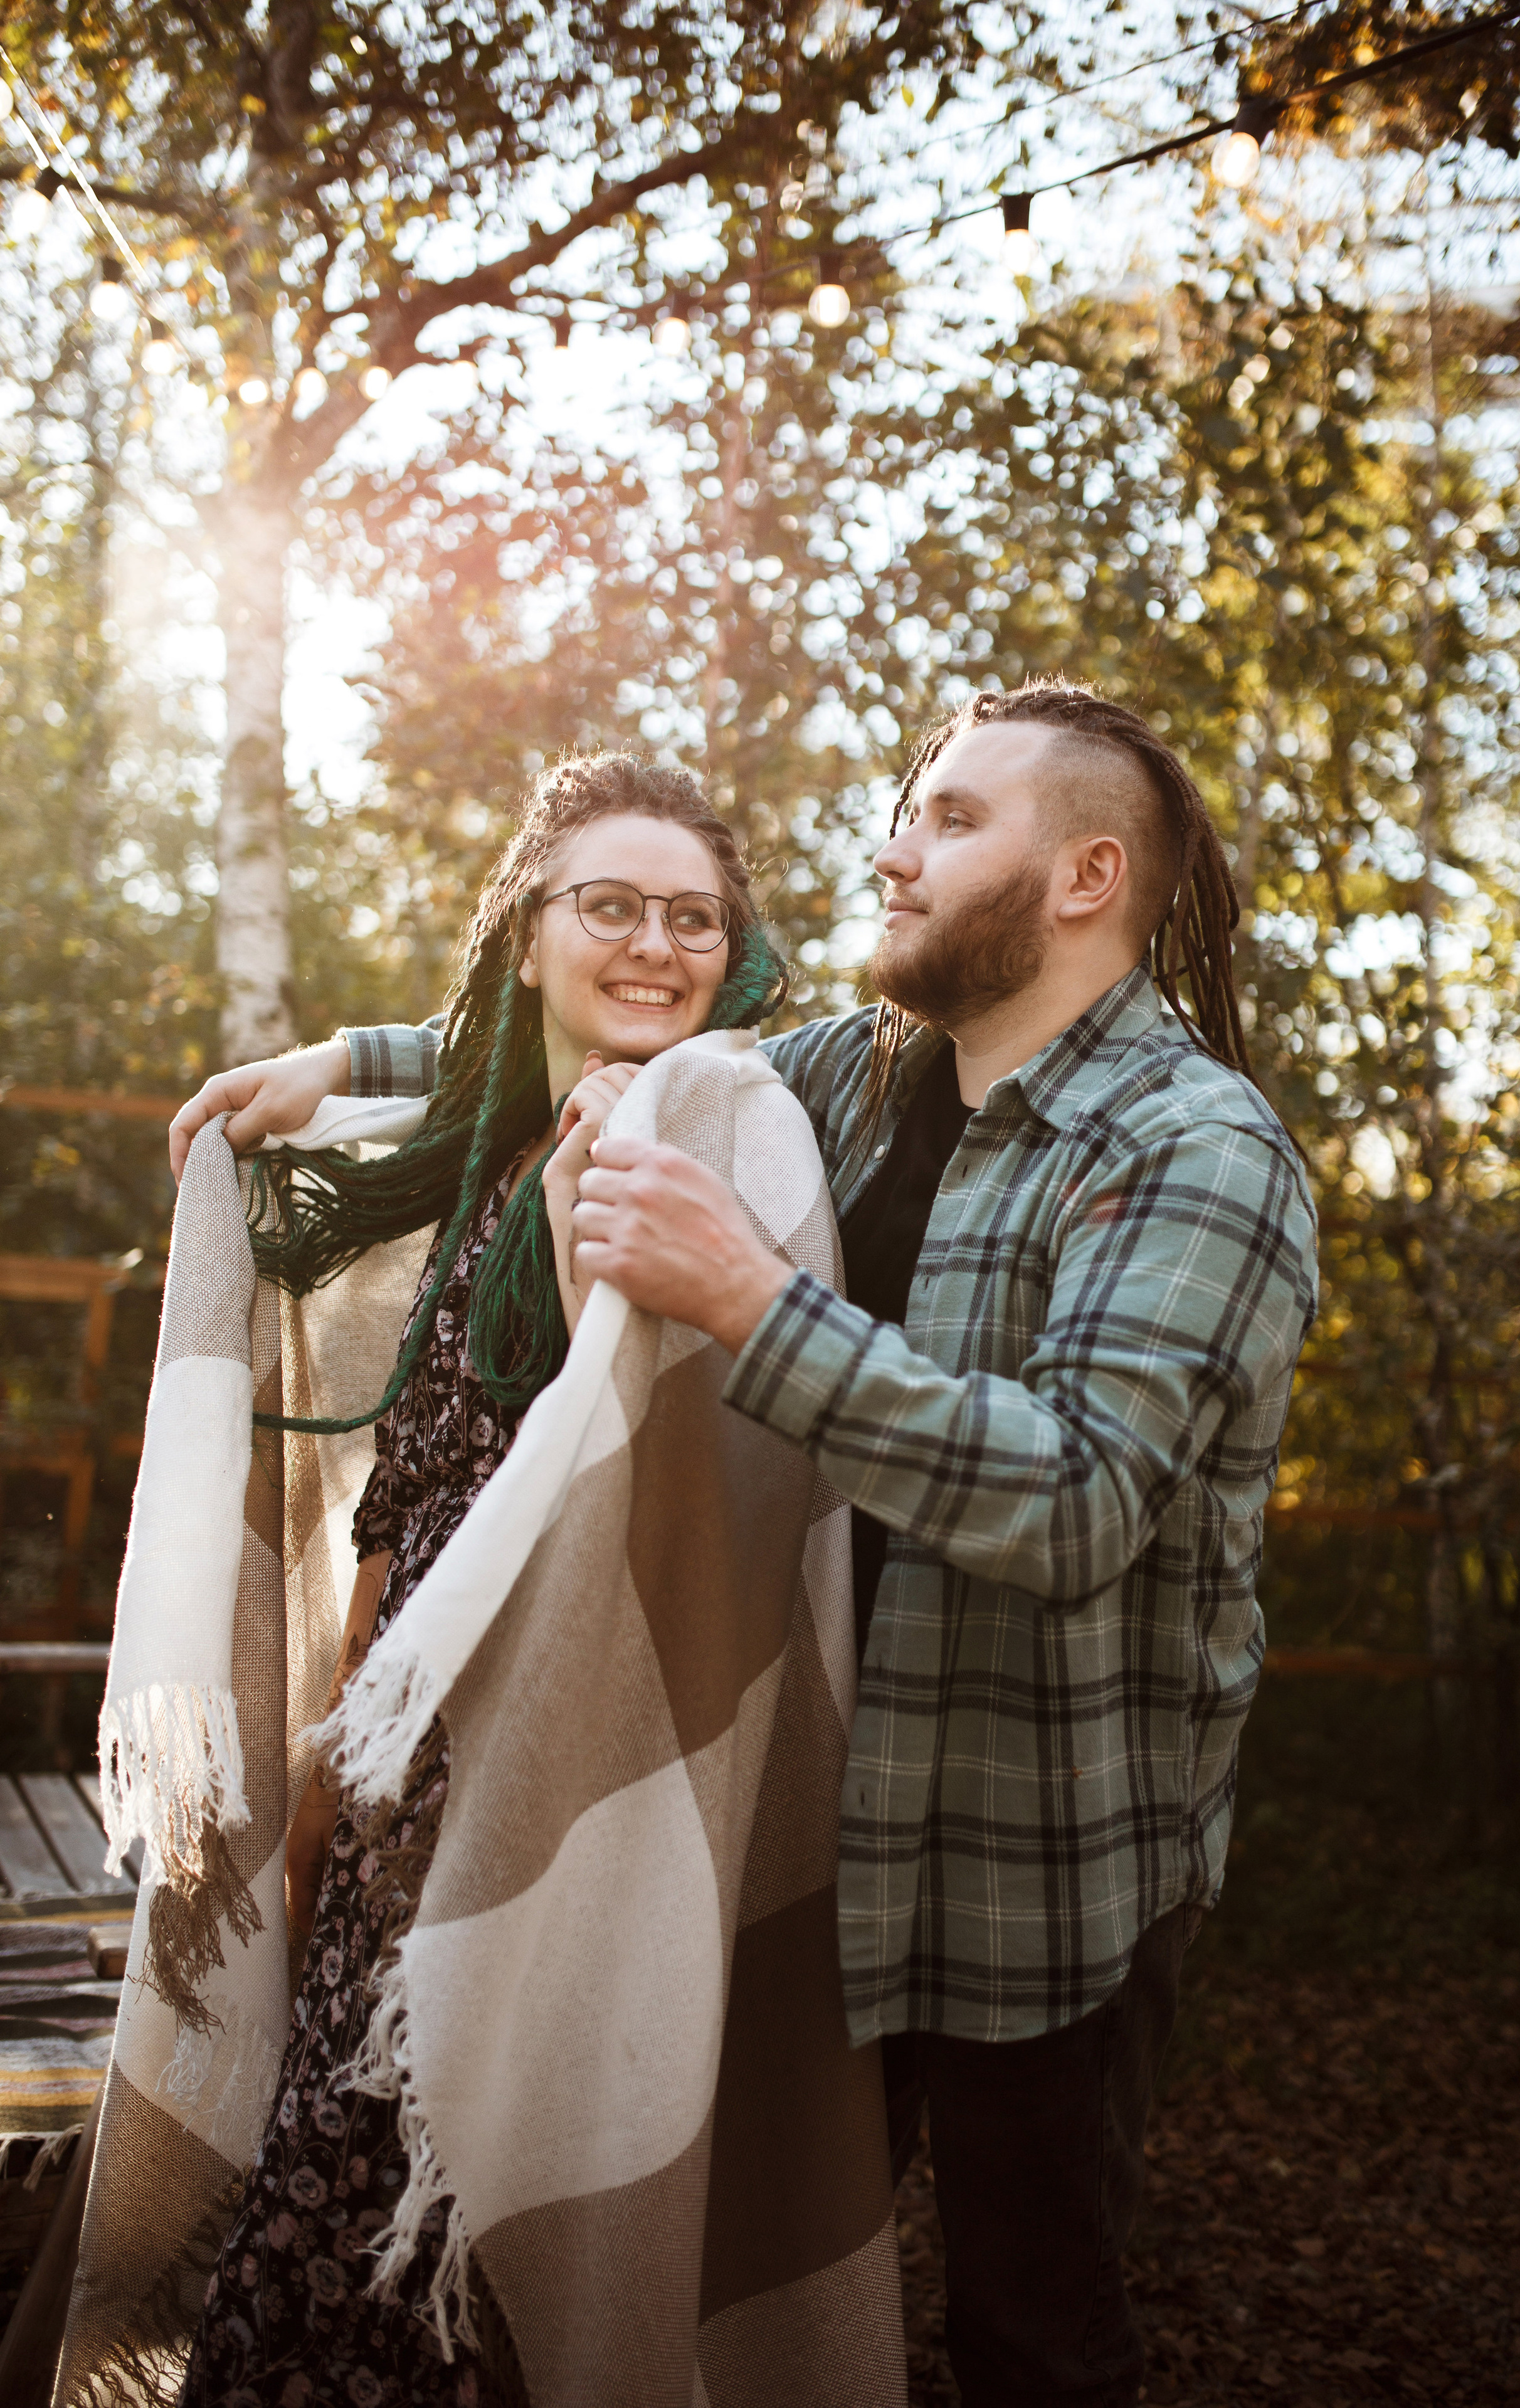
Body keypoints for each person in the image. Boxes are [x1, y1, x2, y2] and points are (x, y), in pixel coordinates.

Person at [174, 681, 1319, 2408]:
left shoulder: (1196, 1153)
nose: (893, 847)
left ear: (1085, 878)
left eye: (949, 819)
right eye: (905, 809)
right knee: (753, 2288)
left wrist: (751, 1304)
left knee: (1033, 2333)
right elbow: (621, 1034)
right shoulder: (859, 1079)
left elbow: (1076, 1502)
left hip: (1039, 1869)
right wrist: (349, 1063)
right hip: (803, 1826)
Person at [174, 752, 785, 2407]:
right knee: (320, 2261)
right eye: (610, 906)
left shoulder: (721, 1129)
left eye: (695, 917)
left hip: (556, 1815)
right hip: (396, 1809)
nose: (658, 944)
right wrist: (319, 1802)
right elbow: (410, 1511)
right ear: (528, 937)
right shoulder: (496, 1161)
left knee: (484, 2278)